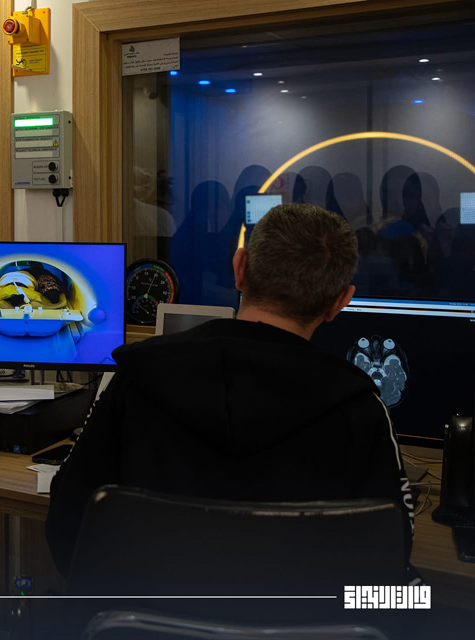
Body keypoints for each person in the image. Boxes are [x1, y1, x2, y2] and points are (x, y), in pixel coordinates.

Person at [46, 203, 414, 581]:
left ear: (240, 268)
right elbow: (392, 557)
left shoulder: (135, 378)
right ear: (340, 302)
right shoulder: (361, 408)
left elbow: (67, 521)